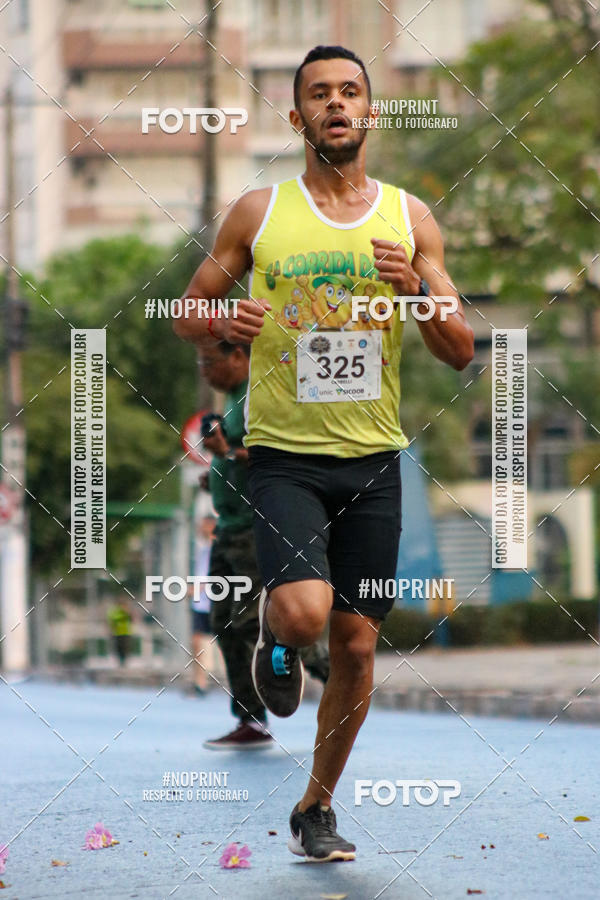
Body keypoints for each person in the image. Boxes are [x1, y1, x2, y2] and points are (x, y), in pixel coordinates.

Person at [175, 45, 474, 860]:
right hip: (283, 458)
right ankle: (278, 642)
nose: (336, 104)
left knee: (356, 644)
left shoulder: (411, 219)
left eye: (350, 92)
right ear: (297, 115)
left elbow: (459, 349)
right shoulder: (258, 212)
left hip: (374, 462)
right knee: (307, 613)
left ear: (370, 111)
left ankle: (315, 808)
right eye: (319, 94)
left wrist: (416, 290)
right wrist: (218, 324)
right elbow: (186, 307)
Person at [197, 341, 330, 750]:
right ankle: (251, 720)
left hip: (258, 528)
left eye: (210, 361)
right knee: (224, 621)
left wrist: (227, 454)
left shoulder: (259, 393)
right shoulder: (234, 399)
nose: (206, 371)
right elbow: (239, 458)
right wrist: (217, 471)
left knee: (257, 621)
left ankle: (335, 671)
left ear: (238, 356)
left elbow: (277, 456)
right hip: (229, 528)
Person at [189, 514, 217, 696]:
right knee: (197, 643)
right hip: (201, 605)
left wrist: (200, 587)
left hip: (217, 604)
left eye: (204, 525)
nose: (200, 528)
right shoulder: (202, 550)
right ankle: (200, 683)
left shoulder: (219, 550)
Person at [107, 598, 132, 667]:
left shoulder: (127, 611)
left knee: (125, 649)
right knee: (119, 649)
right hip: (117, 633)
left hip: (126, 633)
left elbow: (132, 618)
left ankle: (123, 662)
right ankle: (121, 662)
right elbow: (111, 621)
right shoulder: (115, 612)